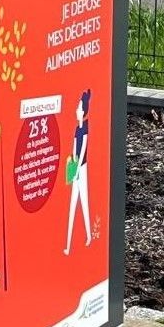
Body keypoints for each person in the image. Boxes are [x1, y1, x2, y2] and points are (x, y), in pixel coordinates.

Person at [64, 89, 92, 254]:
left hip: (83, 168)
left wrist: (77, 169)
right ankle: (67, 245)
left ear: (84, 111)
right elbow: (75, 150)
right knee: (72, 205)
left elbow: (83, 151)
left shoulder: (85, 128)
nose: (76, 110)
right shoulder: (76, 129)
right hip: (76, 167)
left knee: (84, 203)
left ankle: (89, 236)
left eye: (79, 108)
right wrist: (71, 166)